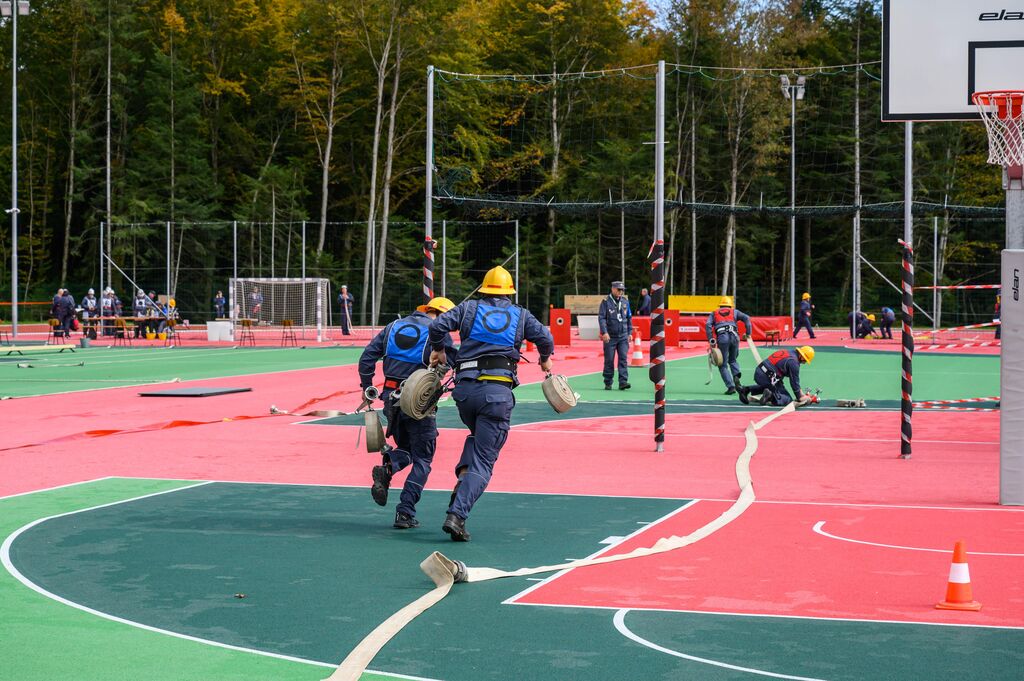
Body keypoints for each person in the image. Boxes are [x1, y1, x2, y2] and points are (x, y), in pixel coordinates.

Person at [427, 265, 555, 542]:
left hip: (464, 393)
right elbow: (546, 338)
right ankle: (457, 515)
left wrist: (439, 350)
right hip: (496, 395)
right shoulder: (521, 315)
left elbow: (436, 326)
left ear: (484, 289)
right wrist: (545, 359)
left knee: (477, 438)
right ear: (509, 292)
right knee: (484, 461)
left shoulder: (468, 309)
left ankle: (463, 483)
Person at [358, 297, 458, 529]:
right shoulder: (438, 331)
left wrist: (367, 387)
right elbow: (454, 361)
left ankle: (388, 467)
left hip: (390, 400)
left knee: (406, 448)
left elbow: (367, 358)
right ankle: (405, 511)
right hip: (418, 402)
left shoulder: (393, 326)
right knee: (424, 458)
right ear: (442, 315)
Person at [738, 346, 814, 407]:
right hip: (768, 377)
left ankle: (745, 390)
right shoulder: (794, 362)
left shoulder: (787, 352)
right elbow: (794, 383)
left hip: (759, 372)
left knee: (773, 386)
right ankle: (771, 396)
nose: (804, 362)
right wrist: (800, 397)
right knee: (787, 399)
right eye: (805, 360)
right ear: (802, 356)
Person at [705, 296, 752, 395]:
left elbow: (708, 325)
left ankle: (731, 387)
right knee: (733, 360)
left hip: (722, 338)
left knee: (722, 364)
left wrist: (711, 339)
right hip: (735, 337)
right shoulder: (735, 312)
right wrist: (748, 333)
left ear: (720, 305)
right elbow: (747, 318)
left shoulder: (714, 313)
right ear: (730, 305)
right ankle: (736, 377)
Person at [598, 280, 632, 390]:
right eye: (619, 290)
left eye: (622, 290)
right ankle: (608, 382)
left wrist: (629, 333)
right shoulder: (606, 302)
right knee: (609, 360)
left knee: (623, 359)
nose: (621, 292)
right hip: (610, 336)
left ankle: (623, 382)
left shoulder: (625, 301)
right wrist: (604, 332)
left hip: (623, 336)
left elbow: (629, 318)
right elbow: (602, 318)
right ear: (613, 289)